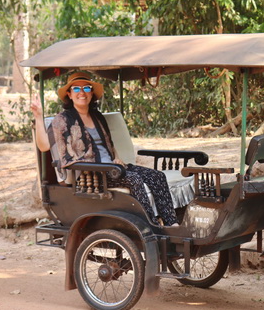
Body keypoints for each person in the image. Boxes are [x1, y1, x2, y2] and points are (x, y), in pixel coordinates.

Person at [31, 71, 178, 228]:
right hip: (91, 174)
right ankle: (152, 226)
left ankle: (172, 224)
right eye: (76, 89)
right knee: (134, 179)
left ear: (91, 93)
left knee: (157, 176)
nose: (82, 92)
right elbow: (44, 146)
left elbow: (108, 146)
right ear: (69, 94)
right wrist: (39, 117)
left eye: (87, 88)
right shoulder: (62, 120)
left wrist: (117, 159)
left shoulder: (97, 117)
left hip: (111, 168)